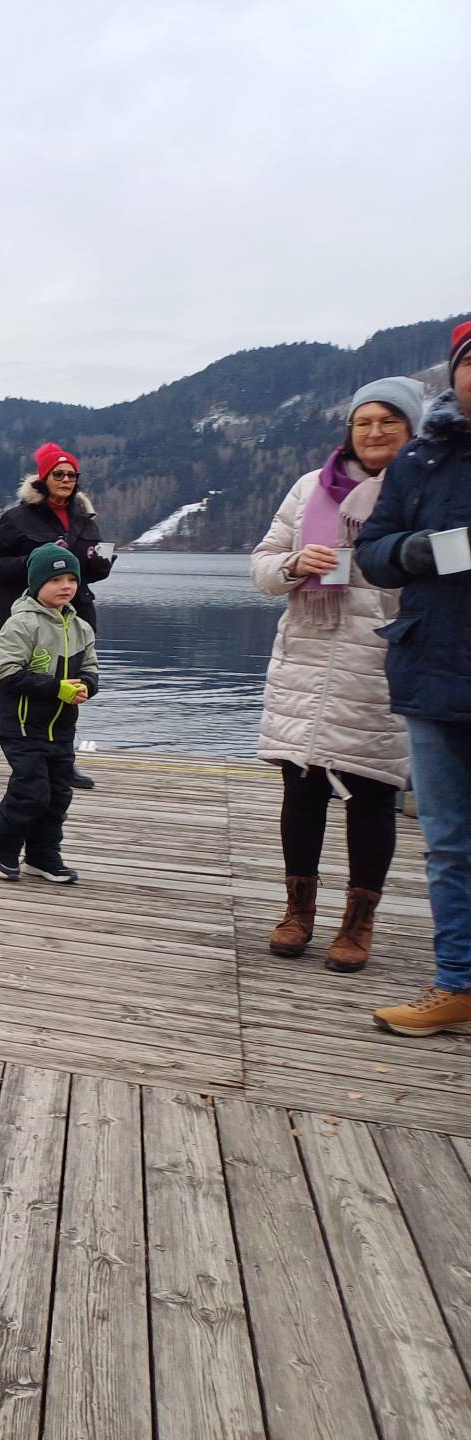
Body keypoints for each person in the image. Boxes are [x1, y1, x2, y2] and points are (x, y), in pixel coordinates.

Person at [251, 377, 425, 972]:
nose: (374, 432)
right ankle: (298, 911)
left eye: (389, 422)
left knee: (373, 793)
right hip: (305, 655)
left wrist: (404, 563)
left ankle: (358, 922)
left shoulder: (424, 488)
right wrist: (297, 562)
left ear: (411, 427)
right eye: (363, 422)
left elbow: (454, 570)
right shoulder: (309, 489)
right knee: (301, 791)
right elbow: (263, 568)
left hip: (381, 661)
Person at [358, 321, 471, 1037]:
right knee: (450, 841)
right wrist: (423, 550)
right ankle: (457, 983)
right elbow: (372, 554)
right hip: (435, 669)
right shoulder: (421, 462)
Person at [0, 443, 113, 786]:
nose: (67, 480)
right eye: (59, 474)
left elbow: (92, 567)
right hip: (25, 614)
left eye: (72, 475)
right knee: (14, 680)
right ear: (44, 478)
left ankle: (63, 758)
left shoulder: (84, 516)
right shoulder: (17, 518)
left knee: (73, 679)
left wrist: (101, 564)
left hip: (75, 611)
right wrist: (34, 563)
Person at [0, 545, 99, 884]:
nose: (65, 586)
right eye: (55, 579)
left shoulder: (81, 628)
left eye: (71, 579)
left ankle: (42, 855)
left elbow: (91, 668)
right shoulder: (21, 624)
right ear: (36, 584)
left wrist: (86, 687)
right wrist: (56, 687)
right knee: (31, 791)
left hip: (61, 729)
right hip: (21, 726)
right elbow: (6, 673)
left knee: (59, 794)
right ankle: (1, 843)